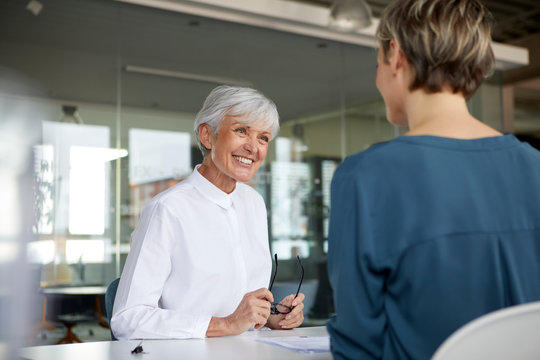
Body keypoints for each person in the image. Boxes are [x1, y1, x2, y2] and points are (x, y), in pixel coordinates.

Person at [326, 0, 540, 359]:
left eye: (377, 61)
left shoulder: (365, 178)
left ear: (395, 54)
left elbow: (357, 346)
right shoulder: (534, 166)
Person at [111, 86, 305, 339]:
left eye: (263, 138)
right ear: (207, 136)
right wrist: (226, 325)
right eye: (241, 131)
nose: (253, 147)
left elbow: (237, 306)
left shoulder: (254, 203)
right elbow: (128, 319)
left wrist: (270, 316)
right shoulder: (167, 209)